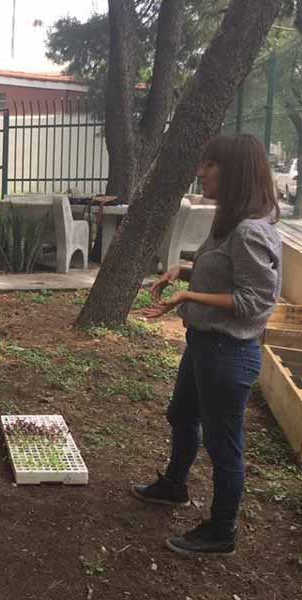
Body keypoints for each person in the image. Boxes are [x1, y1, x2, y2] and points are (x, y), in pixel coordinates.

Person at [132, 134, 282, 556]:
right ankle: (174, 486)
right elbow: (224, 273)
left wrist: (190, 296)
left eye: (210, 165)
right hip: (203, 345)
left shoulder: (251, 232)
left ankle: (222, 531)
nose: (202, 172)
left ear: (234, 172)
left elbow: (256, 300)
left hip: (228, 354)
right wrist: (182, 271)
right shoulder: (230, 223)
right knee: (181, 413)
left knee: (223, 443)